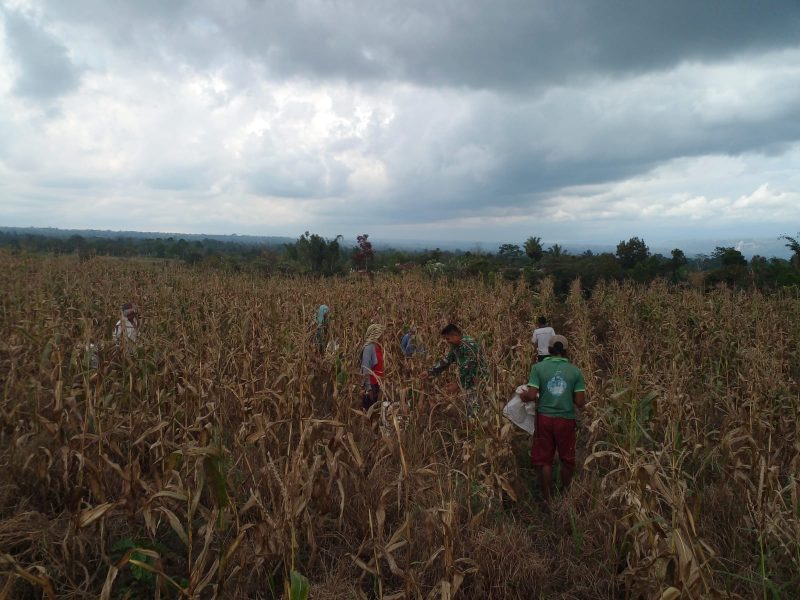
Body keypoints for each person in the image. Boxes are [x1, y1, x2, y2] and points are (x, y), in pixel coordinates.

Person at [520, 335, 586, 505]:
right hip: (566, 419)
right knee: (567, 460)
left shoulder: (538, 368)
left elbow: (531, 395)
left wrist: (523, 396)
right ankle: (565, 496)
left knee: (545, 460)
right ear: (566, 351)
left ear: (549, 350)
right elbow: (580, 402)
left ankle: (547, 499)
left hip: (545, 419)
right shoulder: (575, 371)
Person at [421, 323, 487, 417]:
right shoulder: (456, 346)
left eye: (447, 338)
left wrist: (458, 384)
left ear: (455, 335)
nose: (447, 341)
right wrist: (430, 371)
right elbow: (447, 360)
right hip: (469, 380)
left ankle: (475, 421)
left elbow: (469, 368)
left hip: (478, 380)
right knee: (470, 404)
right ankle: (472, 419)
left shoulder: (469, 345)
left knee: (474, 406)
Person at [360, 323, 385, 411]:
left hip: (377, 384)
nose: (383, 336)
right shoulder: (369, 348)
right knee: (369, 411)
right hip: (371, 385)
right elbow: (365, 368)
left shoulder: (377, 346)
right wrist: (369, 389)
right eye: (381, 334)